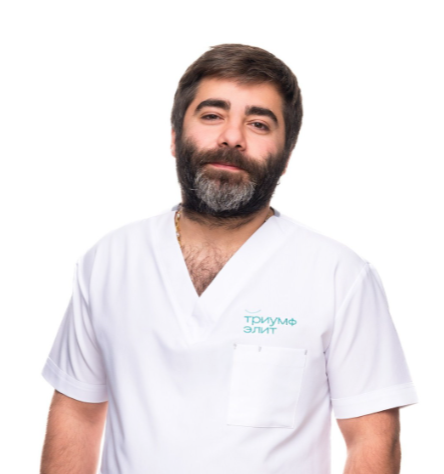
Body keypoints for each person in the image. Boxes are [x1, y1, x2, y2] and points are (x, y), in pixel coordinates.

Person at [40, 44, 418, 474]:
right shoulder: (109, 261)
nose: (232, 136)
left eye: (258, 124)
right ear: (174, 136)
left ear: (287, 155)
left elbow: (372, 437)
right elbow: (76, 413)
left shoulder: (339, 276)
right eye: (212, 115)